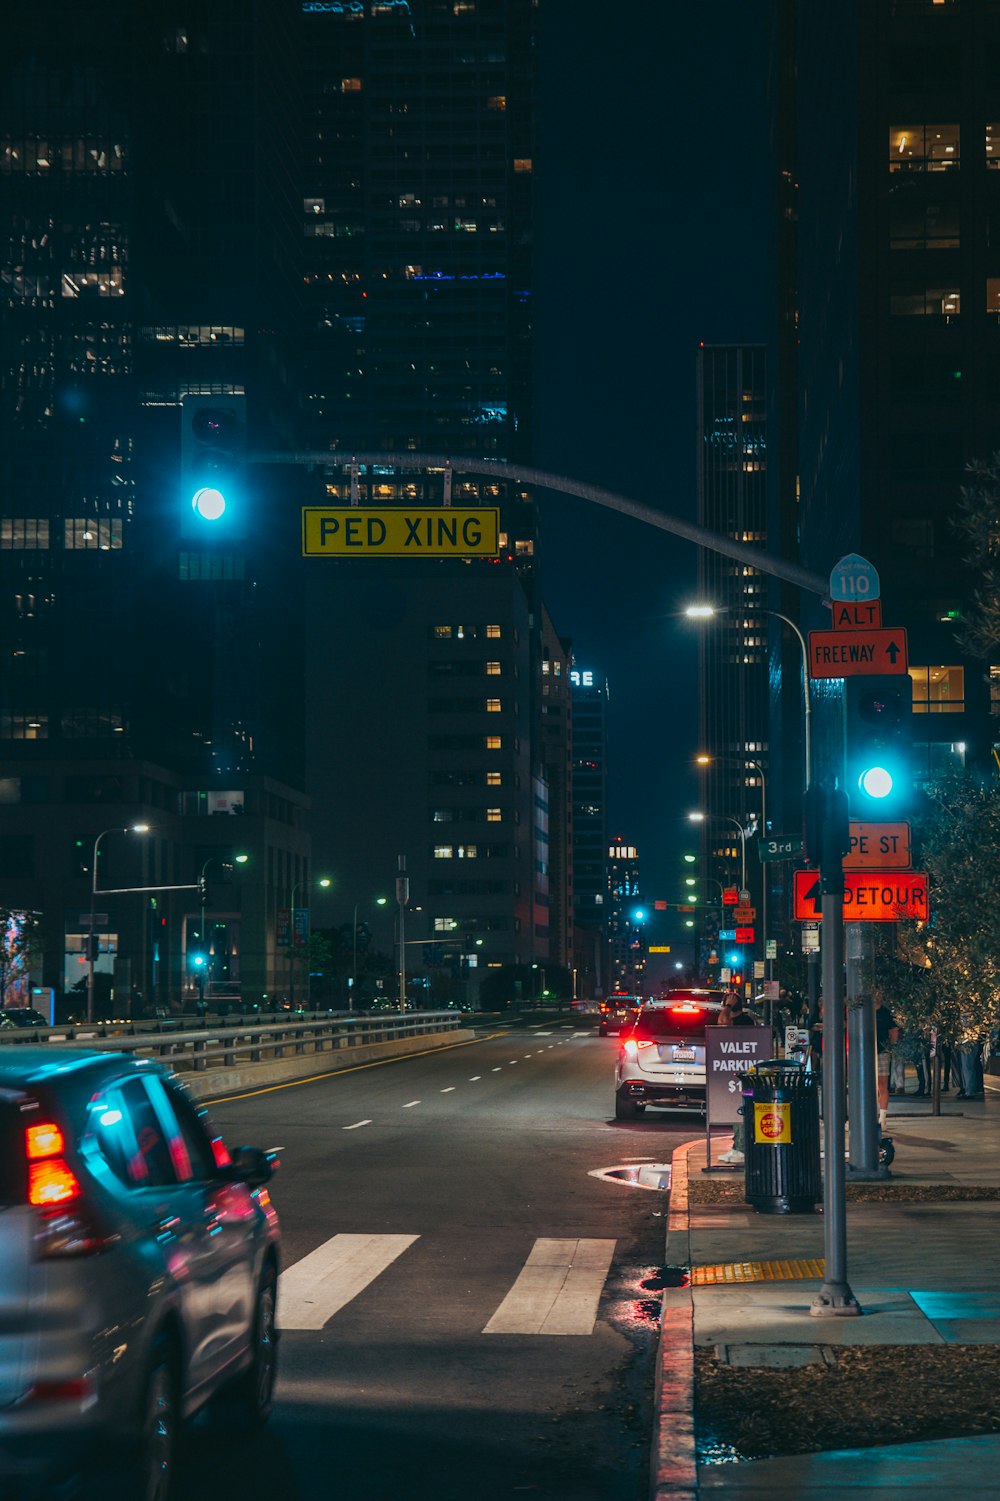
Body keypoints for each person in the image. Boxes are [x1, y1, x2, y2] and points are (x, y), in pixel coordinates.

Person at [874, 987, 900, 1131]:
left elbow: (893, 1030)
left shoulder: (885, 1013)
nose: (877, 996)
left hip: (882, 1052)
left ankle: (882, 1118)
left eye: (879, 993)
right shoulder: (864, 1012)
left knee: (882, 1085)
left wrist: (891, 1048)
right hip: (866, 1052)